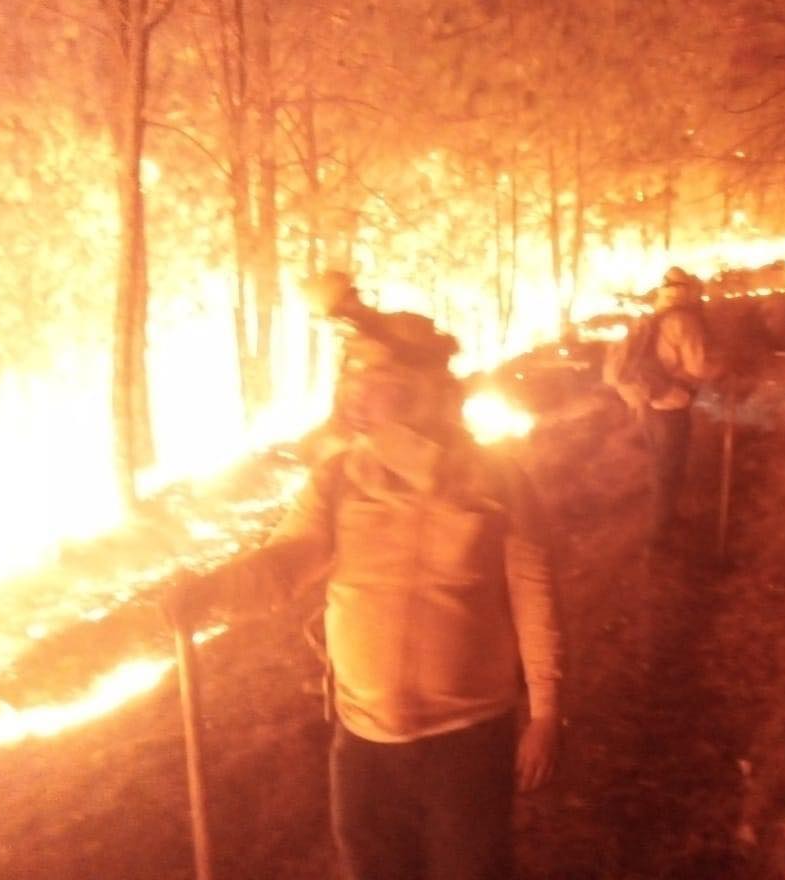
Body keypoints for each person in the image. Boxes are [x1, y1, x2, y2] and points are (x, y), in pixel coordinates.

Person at [166, 299, 563, 880]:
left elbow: (535, 593)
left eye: (377, 380)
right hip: (365, 750)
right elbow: (283, 563)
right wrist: (211, 592)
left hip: (468, 745)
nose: (357, 396)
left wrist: (549, 712)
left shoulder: (496, 481)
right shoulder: (337, 481)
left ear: (421, 389)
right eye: (354, 377)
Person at [641, 266, 722, 554]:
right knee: (670, 469)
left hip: (648, 403)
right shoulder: (683, 320)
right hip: (671, 403)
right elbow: (698, 366)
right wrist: (720, 368)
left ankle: (667, 522)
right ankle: (658, 541)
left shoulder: (656, 315)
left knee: (660, 466)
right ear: (686, 290)